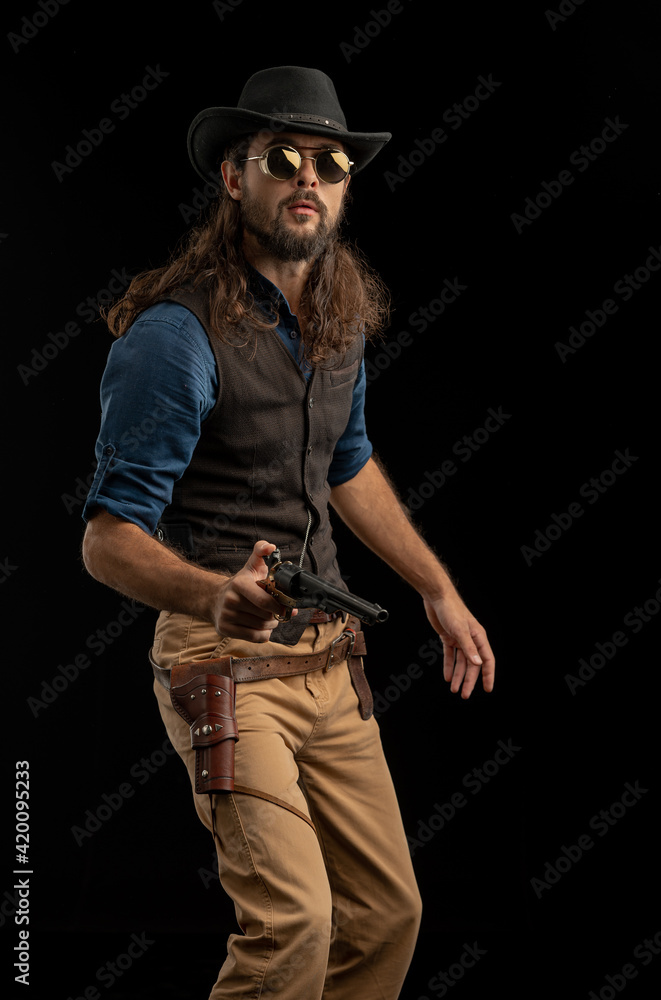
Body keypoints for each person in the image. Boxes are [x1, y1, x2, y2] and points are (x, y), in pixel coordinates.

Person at [81, 65, 495, 1000]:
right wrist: (213, 594)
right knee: (294, 926)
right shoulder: (176, 336)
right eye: (282, 157)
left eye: (331, 162)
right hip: (223, 663)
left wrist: (437, 588)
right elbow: (107, 537)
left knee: (387, 917)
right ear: (235, 178)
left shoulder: (335, 319)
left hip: (328, 662)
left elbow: (347, 463)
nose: (309, 175)